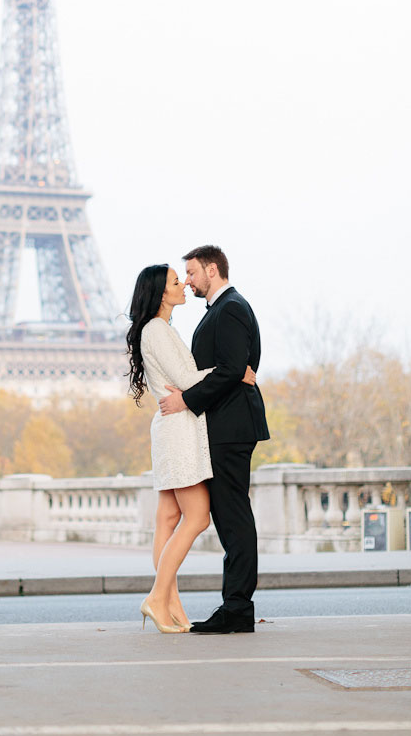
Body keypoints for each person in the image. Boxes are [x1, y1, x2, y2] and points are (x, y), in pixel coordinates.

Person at [126, 263, 256, 634]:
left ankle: (170, 607)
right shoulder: (157, 330)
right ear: (160, 293)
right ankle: (156, 597)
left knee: (168, 519)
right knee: (197, 517)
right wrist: (234, 372)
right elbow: (184, 379)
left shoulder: (158, 329)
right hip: (179, 430)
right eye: (174, 280)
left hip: (173, 427)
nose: (182, 283)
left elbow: (181, 380)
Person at [159, 244, 269, 634]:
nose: (187, 282)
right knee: (228, 515)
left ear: (211, 269)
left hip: (230, 428)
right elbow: (230, 369)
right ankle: (235, 606)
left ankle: (237, 608)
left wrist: (184, 400)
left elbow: (232, 369)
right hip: (225, 426)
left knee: (233, 516)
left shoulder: (231, 308)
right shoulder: (224, 309)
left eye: (191, 273)